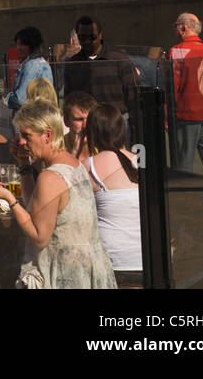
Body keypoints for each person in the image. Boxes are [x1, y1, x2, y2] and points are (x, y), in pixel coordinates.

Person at [0, 100, 116, 290]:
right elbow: (37, 206)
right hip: (85, 270)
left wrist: (11, 200)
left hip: (64, 275)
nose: (21, 142)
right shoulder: (73, 163)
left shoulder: (50, 176)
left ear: (47, 135)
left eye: (26, 136)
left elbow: (40, 237)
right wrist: (24, 165)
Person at [83, 103, 143, 285]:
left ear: (91, 133)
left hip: (110, 261)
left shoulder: (89, 166)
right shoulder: (140, 161)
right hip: (146, 259)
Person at [171, 12, 203, 211]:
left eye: (176, 25)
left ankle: (184, 203)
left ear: (183, 28)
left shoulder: (178, 51)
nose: (175, 29)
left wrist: (168, 113)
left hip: (187, 114)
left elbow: (174, 85)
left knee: (184, 162)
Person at [61, 17, 139, 117]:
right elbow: (69, 100)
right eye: (82, 38)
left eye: (92, 37)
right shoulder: (73, 64)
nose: (87, 41)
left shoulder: (119, 60)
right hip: (86, 124)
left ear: (100, 35)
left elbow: (134, 97)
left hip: (116, 123)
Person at [6, 26, 53, 113]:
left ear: (32, 45)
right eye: (17, 44)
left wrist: (8, 97)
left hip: (29, 118)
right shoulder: (42, 63)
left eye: (22, 44)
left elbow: (21, 99)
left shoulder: (32, 65)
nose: (18, 48)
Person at [63, 91, 97, 161]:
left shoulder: (105, 146)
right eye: (79, 119)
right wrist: (75, 152)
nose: (85, 125)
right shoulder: (58, 149)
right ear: (66, 121)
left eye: (89, 119)